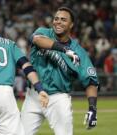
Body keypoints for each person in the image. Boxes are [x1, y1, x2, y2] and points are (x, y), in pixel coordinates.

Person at [21, 7, 99, 135]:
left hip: (58, 98)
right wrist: (64, 49)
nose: (58, 22)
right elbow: (36, 40)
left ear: (71, 25)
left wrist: (92, 109)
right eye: (56, 19)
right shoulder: (43, 32)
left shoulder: (79, 52)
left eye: (63, 20)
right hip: (34, 96)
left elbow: (91, 81)